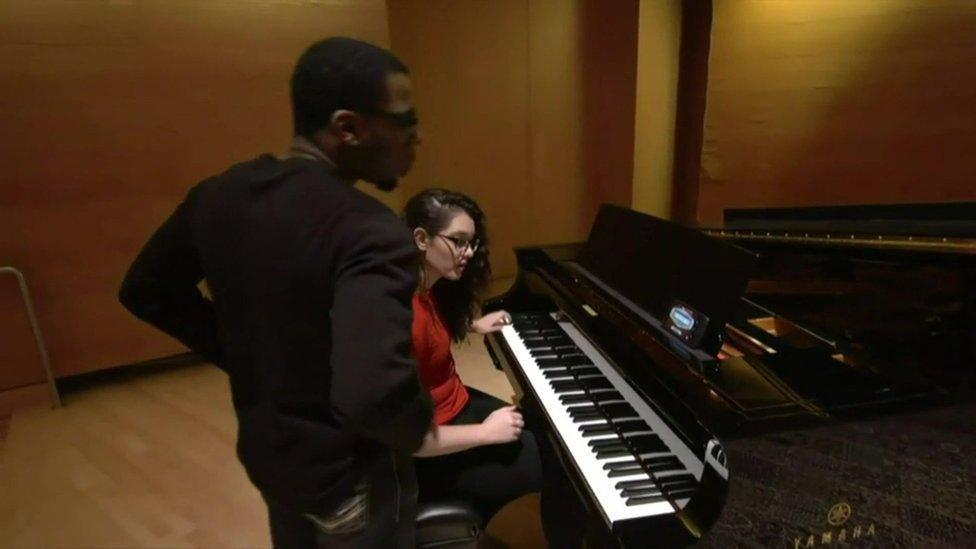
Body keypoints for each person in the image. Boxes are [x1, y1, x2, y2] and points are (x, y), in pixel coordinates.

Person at [119, 37, 432, 548]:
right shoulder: (369, 231)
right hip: (348, 476)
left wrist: (249, 359)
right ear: (347, 128)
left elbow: (146, 290)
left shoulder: (218, 195)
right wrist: (421, 428)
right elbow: (371, 395)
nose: (417, 136)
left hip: (272, 457)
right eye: (405, 121)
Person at [404, 188, 587, 547]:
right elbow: (412, 440)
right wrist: (487, 433)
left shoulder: (423, 284)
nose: (468, 253)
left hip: (454, 407)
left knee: (553, 426)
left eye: (471, 243)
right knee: (568, 466)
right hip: (434, 450)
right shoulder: (402, 313)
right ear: (422, 239)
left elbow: (430, 344)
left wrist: (474, 326)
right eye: (458, 241)